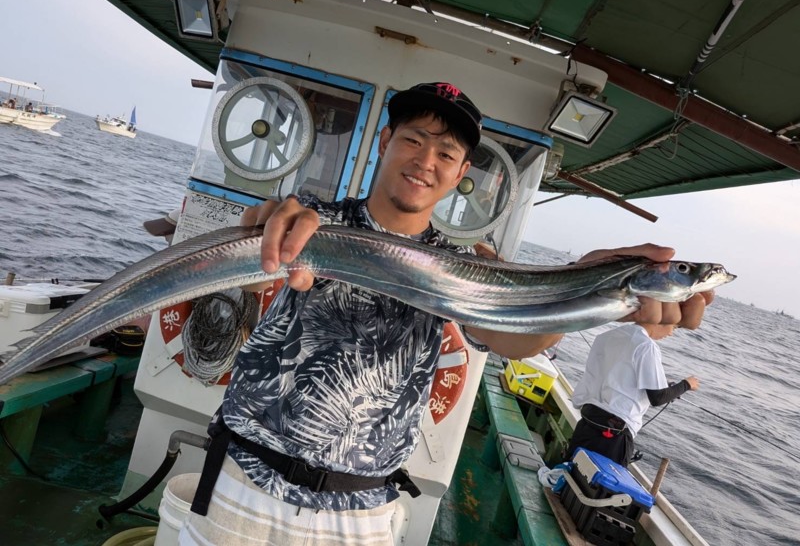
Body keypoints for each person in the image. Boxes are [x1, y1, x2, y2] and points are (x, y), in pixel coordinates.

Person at [179, 82, 711, 545]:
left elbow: (513, 339)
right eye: (413, 140)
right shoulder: (315, 225)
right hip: (242, 480)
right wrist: (261, 234)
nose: (425, 160)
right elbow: (256, 275)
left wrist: (596, 293)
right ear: (385, 142)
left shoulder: (463, 269)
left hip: (359, 515)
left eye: (446, 152)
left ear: (460, 174)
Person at [565, 323, 700, 467]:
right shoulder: (647, 346)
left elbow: (620, 377)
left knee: (568, 470)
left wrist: (665, 386)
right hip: (612, 435)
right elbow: (658, 397)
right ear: (661, 320)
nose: (671, 333)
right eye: (674, 327)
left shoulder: (609, 335)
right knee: (597, 480)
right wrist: (686, 384)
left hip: (588, 421)